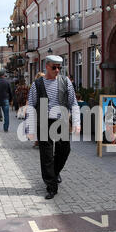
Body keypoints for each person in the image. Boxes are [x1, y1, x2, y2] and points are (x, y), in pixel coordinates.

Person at [26, 55, 81, 200]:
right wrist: (30, 129)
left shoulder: (65, 82)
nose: (57, 70)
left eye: (59, 68)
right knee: (47, 155)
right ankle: (51, 186)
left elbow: (73, 103)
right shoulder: (37, 84)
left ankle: (54, 172)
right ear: (47, 67)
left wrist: (77, 122)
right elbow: (31, 106)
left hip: (61, 122)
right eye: (54, 67)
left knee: (65, 150)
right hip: (44, 123)